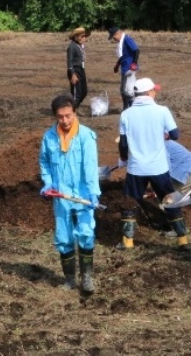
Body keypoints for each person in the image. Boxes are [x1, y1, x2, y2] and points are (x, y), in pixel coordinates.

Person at [118, 78, 190, 250]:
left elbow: (123, 143)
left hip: (136, 168)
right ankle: (182, 240)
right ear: (149, 93)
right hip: (159, 167)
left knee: (131, 202)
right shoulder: (162, 111)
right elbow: (175, 135)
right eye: (154, 90)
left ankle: (128, 242)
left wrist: (124, 158)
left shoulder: (126, 114)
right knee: (169, 200)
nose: (155, 93)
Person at [39, 94, 100, 293]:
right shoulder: (49, 137)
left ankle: (87, 278)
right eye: (60, 117)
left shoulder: (86, 136)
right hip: (61, 196)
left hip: (83, 195)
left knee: (85, 233)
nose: (65, 121)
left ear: (74, 112)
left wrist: (93, 193)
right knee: (64, 238)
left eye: (68, 116)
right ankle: (70, 279)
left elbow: (91, 168)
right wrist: (48, 184)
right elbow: (45, 163)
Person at [109, 26, 140, 111]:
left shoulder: (127, 39)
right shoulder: (121, 42)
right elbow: (123, 56)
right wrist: (117, 65)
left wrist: (134, 64)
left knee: (129, 91)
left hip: (130, 69)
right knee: (123, 91)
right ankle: (126, 108)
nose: (114, 39)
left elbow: (136, 51)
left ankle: (134, 107)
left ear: (118, 33)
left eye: (113, 37)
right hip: (124, 68)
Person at [66, 27, 89, 109]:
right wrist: (72, 74)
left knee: (84, 91)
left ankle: (74, 108)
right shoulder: (72, 47)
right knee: (77, 94)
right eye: (82, 36)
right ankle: (72, 111)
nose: (84, 38)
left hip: (81, 70)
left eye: (84, 36)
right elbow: (69, 62)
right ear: (76, 37)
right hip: (75, 71)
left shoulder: (79, 46)